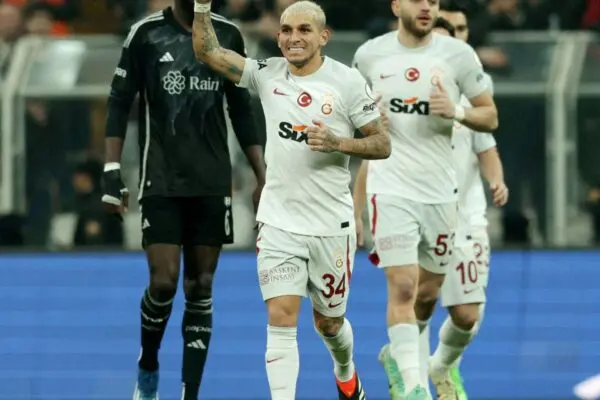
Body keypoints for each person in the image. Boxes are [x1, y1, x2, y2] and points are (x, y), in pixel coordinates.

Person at [191, 0, 391, 398]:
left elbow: (382, 143)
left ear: (323, 37)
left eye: (303, 30)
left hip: (330, 224)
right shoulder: (267, 73)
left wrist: (339, 142)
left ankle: (346, 372)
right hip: (279, 220)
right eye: (286, 30)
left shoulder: (347, 82)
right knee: (280, 316)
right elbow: (208, 51)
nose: (293, 38)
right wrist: (201, 6)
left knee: (329, 324)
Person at [100, 0, 266, 398]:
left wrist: (264, 176)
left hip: (212, 181)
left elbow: (241, 109)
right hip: (161, 178)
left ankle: (190, 393)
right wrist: (111, 169)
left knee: (201, 285)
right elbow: (119, 100)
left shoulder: (228, 35)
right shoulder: (145, 35)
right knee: (163, 282)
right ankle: (148, 366)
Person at [352, 0, 498, 398]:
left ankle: (413, 361)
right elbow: (346, 115)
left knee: (428, 295)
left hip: (440, 193)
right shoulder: (369, 56)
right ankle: (415, 387)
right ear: (396, 4)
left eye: (432, 1)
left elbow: (490, 116)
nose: (426, 7)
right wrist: (367, 123)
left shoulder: (458, 56)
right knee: (403, 286)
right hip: (390, 188)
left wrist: (457, 111)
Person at [426, 5, 508, 399]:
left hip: (466, 214)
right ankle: (408, 373)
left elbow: (485, 143)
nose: (456, 39)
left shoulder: (475, 86)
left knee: (468, 315)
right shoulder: (402, 83)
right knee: (416, 298)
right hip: (418, 211)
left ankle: (441, 364)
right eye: (448, 32)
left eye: (461, 30)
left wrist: (496, 180)